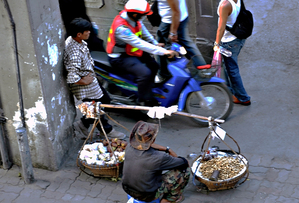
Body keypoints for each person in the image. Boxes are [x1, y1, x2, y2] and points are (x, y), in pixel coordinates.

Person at [106, 0, 177, 107]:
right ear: (135, 14)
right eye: (143, 15)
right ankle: (143, 101)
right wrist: (164, 52)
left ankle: (148, 87)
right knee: (145, 73)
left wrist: (155, 44)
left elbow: (144, 33)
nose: (145, 17)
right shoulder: (122, 28)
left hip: (131, 52)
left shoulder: (134, 19)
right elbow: (139, 43)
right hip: (119, 57)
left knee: (154, 65)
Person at [64, 18, 126, 139]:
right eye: (87, 31)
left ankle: (83, 124)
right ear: (79, 34)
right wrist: (83, 81)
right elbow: (72, 76)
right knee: (96, 106)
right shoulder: (75, 53)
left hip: (91, 82)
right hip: (86, 87)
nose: (89, 33)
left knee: (103, 101)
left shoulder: (75, 40)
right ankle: (106, 130)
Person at [122, 121, 190, 203]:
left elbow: (146, 145)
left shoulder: (129, 147)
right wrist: (169, 150)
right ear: (153, 141)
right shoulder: (159, 157)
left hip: (127, 189)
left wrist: (165, 149)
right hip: (147, 195)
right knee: (183, 172)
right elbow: (184, 163)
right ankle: (169, 200)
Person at [156, 0, 206, 82]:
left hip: (171, 21)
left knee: (159, 46)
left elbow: (176, 12)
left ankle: (163, 74)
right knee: (187, 44)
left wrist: (173, 32)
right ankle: (203, 69)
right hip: (179, 17)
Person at [214, 0, 251, 105]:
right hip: (238, 38)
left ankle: (243, 98)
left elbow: (221, 28)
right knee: (228, 66)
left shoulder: (225, 5)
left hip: (229, 42)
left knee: (232, 70)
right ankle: (230, 90)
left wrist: (216, 44)